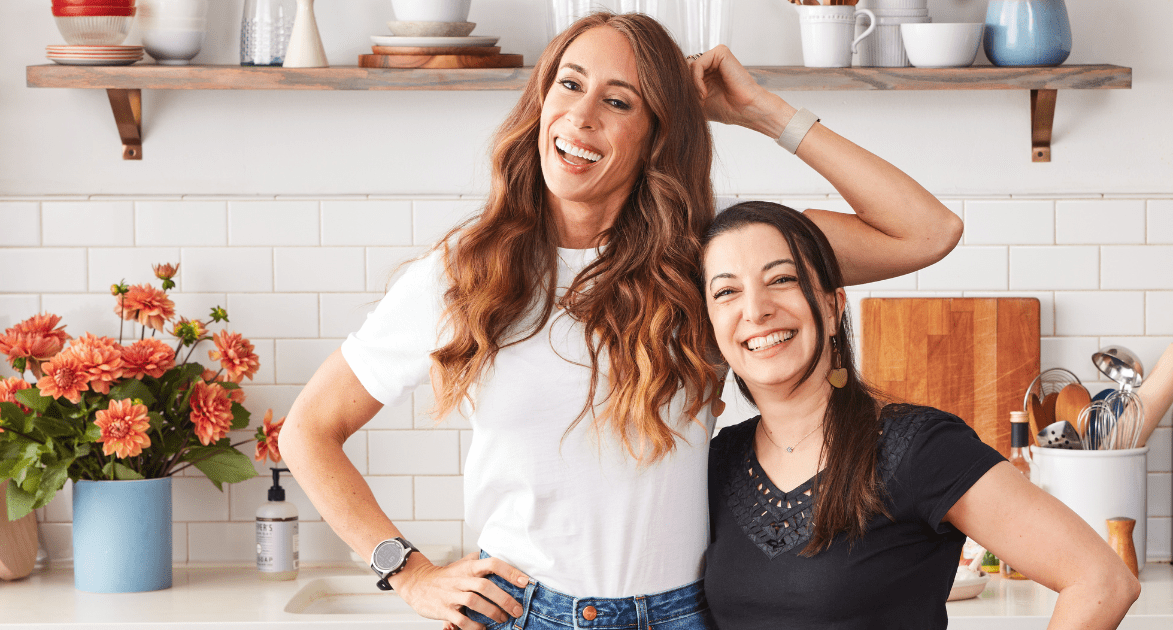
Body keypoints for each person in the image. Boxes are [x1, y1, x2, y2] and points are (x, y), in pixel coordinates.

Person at [280, 12, 962, 630]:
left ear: (655, 136)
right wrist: (408, 571)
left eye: (617, 101)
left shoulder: (710, 258)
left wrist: (761, 110)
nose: (580, 118)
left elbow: (925, 232)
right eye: (569, 86)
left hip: (684, 613)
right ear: (540, 101)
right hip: (520, 612)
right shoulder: (465, 271)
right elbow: (309, 430)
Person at [700, 201, 1141, 630]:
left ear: (833, 309)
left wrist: (774, 121)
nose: (756, 309)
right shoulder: (714, 462)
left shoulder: (918, 447)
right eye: (726, 291)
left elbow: (1102, 581)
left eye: (781, 279)